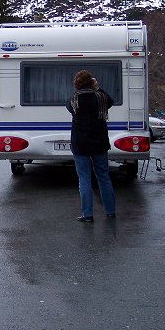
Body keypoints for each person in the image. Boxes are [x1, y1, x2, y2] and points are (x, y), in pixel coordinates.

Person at [66, 70, 116, 222]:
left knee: (85, 179)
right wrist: (97, 88)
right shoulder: (101, 98)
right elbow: (111, 101)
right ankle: (110, 211)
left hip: (80, 144)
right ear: (92, 83)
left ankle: (87, 214)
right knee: (103, 177)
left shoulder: (73, 100)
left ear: (77, 84)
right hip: (99, 143)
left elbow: (69, 108)